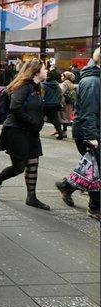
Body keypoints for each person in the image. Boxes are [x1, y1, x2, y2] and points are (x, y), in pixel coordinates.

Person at [0, 58, 50, 210]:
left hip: (30, 132)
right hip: (16, 131)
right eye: (44, 69)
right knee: (19, 166)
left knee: (33, 163)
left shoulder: (38, 87)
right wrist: (32, 121)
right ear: (36, 71)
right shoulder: (24, 86)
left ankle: (31, 197)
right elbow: (15, 107)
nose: (47, 71)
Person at [56, 48, 100, 220]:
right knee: (97, 170)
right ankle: (95, 208)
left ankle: (67, 186)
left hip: (92, 130)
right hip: (89, 132)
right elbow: (89, 113)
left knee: (91, 166)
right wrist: (92, 137)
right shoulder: (92, 82)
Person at [42, 69, 64, 139]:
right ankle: (60, 133)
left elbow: (42, 96)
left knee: (39, 118)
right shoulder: (57, 85)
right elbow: (60, 94)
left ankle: (34, 131)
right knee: (55, 120)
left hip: (45, 105)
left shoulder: (44, 86)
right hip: (55, 105)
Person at [57, 71, 77, 138]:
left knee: (62, 116)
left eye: (63, 76)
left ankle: (61, 132)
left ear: (66, 77)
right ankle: (64, 131)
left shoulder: (65, 83)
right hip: (70, 103)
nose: (62, 77)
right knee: (67, 117)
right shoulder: (72, 84)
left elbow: (61, 92)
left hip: (64, 102)